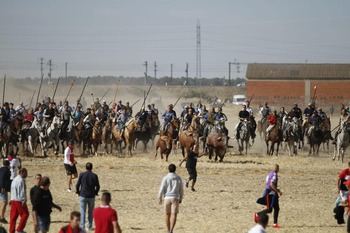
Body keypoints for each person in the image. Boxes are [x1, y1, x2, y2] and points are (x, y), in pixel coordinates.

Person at [254, 164, 282, 229]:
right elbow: (271, 184)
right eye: (278, 168)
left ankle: (275, 224)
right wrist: (277, 191)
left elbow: (267, 183)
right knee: (270, 209)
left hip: (269, 192)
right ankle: (258, 214)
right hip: (271, 193)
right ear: (277, 169)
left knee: (276, 208)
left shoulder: (269, 174)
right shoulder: (274, 175)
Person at [158, 164, 184, 233]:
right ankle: (171, 230)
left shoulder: (165, 178)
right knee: (174, 214)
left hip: (167, 198)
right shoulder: (178, 178)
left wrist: (160, 197)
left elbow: (162, 188)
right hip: (175, 198)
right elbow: (181, 189)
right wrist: (181, 197)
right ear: (175, 169)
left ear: (168, 169)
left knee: (167, 214)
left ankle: (168, 230)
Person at [75, 162, 100, 231]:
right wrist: (96, 192)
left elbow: (77, 185)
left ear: (86, 168)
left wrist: (78, 192)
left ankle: (82, 226)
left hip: (83, 195)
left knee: (82, 211)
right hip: (91, 195)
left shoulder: (82, 175)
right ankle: (89, 226)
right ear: (92, 168)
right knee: (91, 211)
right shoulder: (94, 176)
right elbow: (98, 186)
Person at [9, 168, 29, 233]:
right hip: (19, 200)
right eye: (26, 173)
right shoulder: (21, 180)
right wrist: (23, 200)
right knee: (25, 214)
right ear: (22, 172)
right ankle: (20, 228)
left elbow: (12, 189)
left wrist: (11, 199)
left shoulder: (14, 179)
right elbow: (22, 191)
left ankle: (11, 231)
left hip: (13, 199)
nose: (27, 174)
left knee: (13, 217)